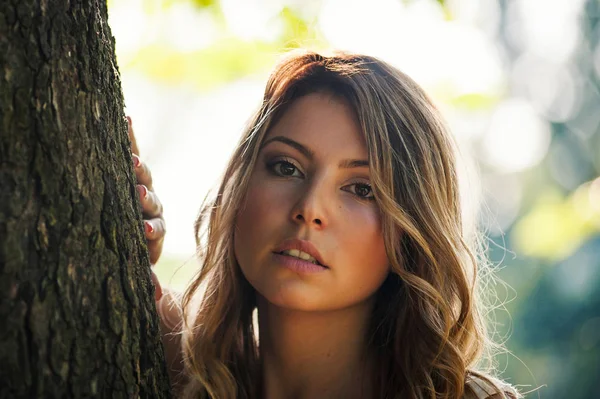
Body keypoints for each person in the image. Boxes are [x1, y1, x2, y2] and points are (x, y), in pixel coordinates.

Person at [130, 51, 522, 399]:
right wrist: (127, 256)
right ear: (242, 185)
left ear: (411, 232)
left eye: (361, 189)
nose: (310, 208)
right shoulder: (172, 365)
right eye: (287, 167)